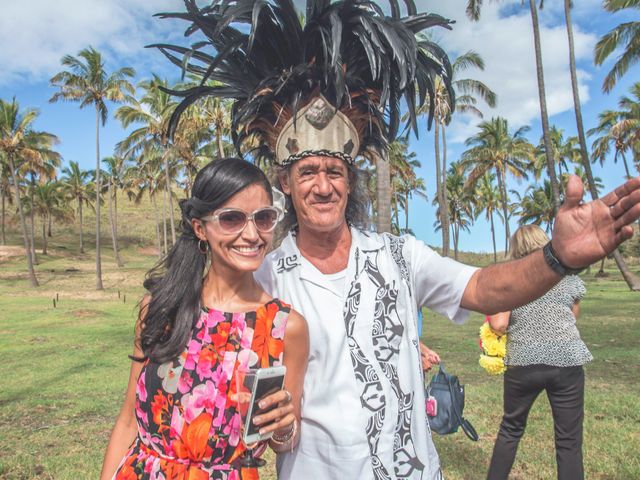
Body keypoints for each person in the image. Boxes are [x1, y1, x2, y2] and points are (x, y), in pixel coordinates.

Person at [156, 1, 640, 478]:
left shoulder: (399, 255)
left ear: (351, 178)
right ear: (284, 181)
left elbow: (485, 288)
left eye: (334, 170)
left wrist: (556, 258)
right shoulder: (263, 275)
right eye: (307, 172)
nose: (323, 186)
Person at [100, 158, 309, 480]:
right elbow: (129, 421)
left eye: (264, 218)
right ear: (200, 228)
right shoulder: (159, 309)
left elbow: (284, 439)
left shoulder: (286, 327)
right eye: (232, 219)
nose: (252, 234)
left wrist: (283, 428)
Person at [486, 225, 592, 480]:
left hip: (524, 362)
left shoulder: (513, 279)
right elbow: (573, 316)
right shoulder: (567, 277)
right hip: (566, 360)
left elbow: (499, 324)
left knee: (511, 429)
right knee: (568, 441)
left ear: (516, 248)